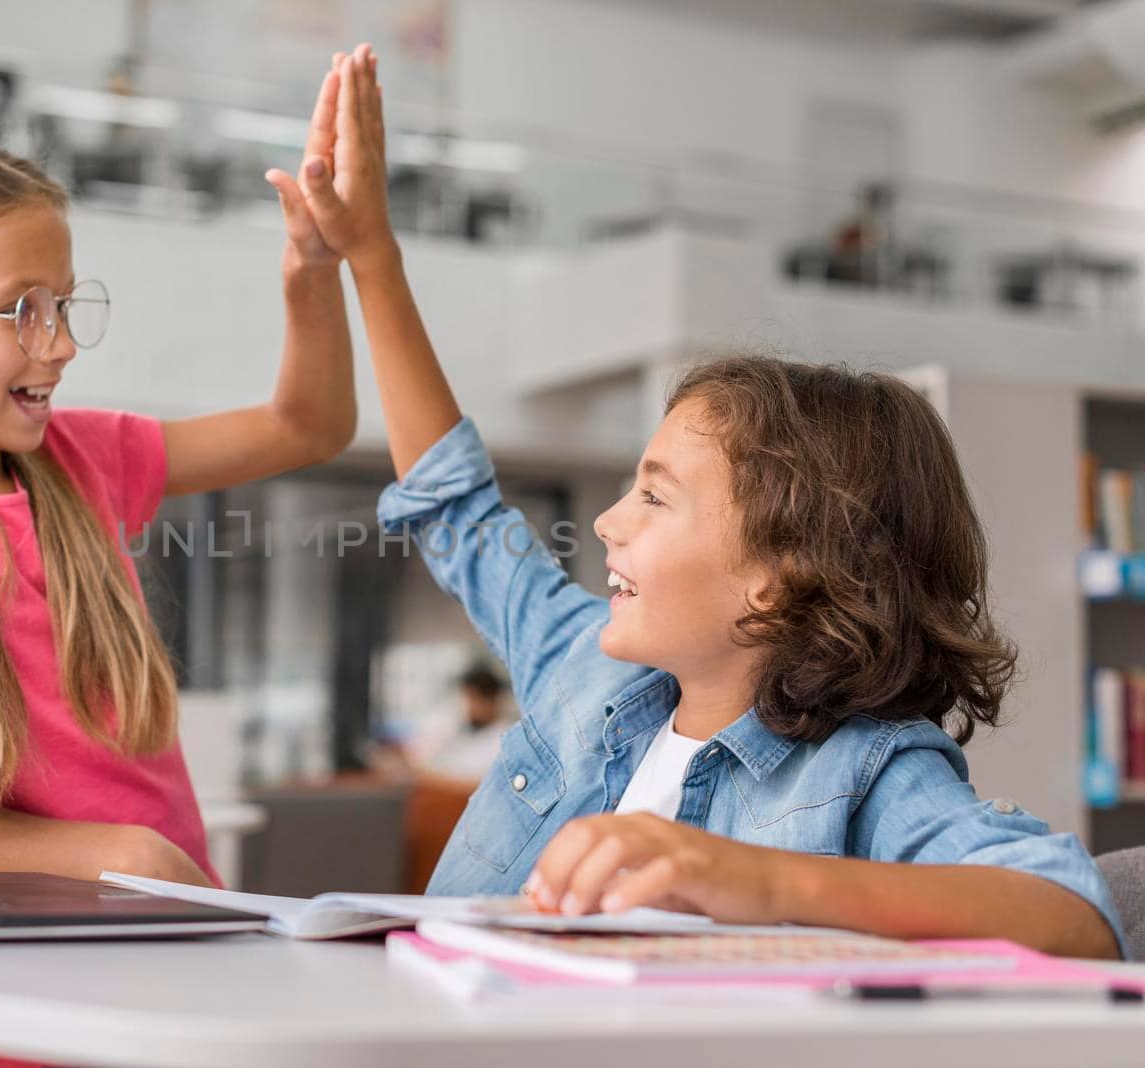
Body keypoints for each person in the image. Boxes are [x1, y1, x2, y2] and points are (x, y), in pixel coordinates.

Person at [301, 43, 1124, 958]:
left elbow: (1074, 917)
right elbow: (454, 508)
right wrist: (371, 256)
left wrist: (756, 881)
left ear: (776, 582)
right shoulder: (585, 671)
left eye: (655, 498)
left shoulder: (867, 770)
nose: (608, 522)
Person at [0, 66, 354, 1064]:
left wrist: (310, 270)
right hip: (16, 1007)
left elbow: (311, 423)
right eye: (21, 311)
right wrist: (117, 856)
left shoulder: (79, 462)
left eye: (67, 305)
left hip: (160, 980)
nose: (63, 344)